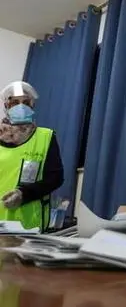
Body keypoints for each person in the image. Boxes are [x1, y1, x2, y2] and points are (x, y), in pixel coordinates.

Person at [0, 81, 64, 230]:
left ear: (32, 106)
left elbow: (55, 178)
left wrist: (23, 194)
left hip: (29, 226)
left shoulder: (46, 137)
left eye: (26, 102)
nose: (20, 107)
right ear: (6, 107)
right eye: (14, 102)